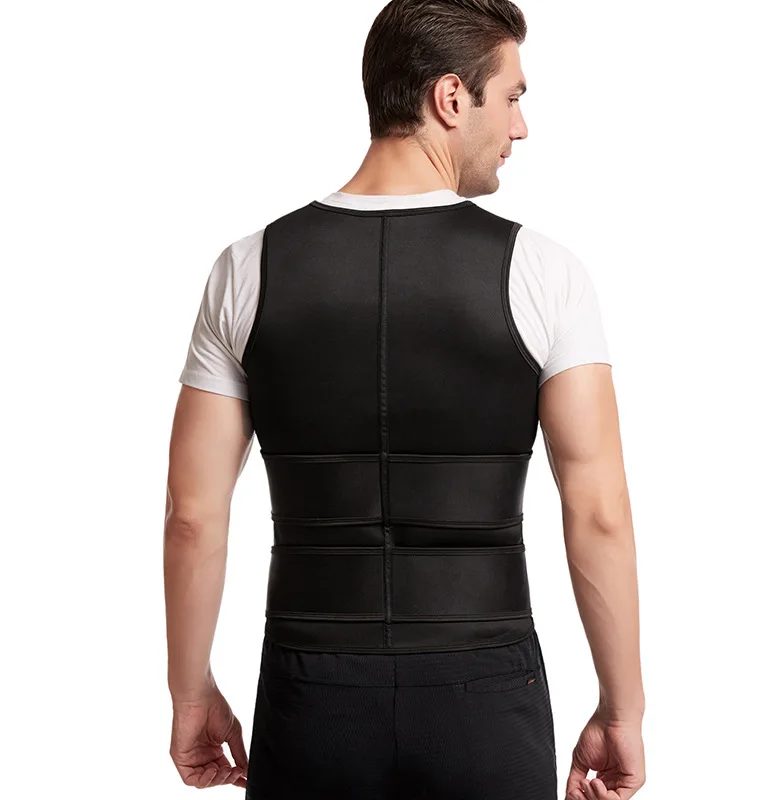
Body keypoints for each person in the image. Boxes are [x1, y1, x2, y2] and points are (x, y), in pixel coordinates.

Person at [163, 1, 646, 798]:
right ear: (451, 98)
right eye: (513, 97)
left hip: (312, 690)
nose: (520, 128)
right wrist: (622, 710)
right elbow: (598, 511)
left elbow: (192, 513)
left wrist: (190, 694)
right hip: (486, 695)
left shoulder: (248, 268)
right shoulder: (544, 271)